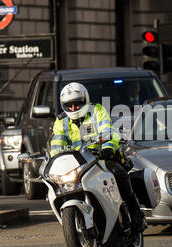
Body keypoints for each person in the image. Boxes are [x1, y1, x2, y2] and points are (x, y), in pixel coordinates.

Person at [50, 82, 146, 233]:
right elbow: (57, 142)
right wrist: (55, 159)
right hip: (77, 162)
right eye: (70, 105)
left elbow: (108, 129)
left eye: (77, 104)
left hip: (101, 156)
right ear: (64, 106)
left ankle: (136, 214)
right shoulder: (61, 120)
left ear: (85, 100)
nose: (74, 108)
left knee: (117, 172)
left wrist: (107, 147)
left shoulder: (96, 110)